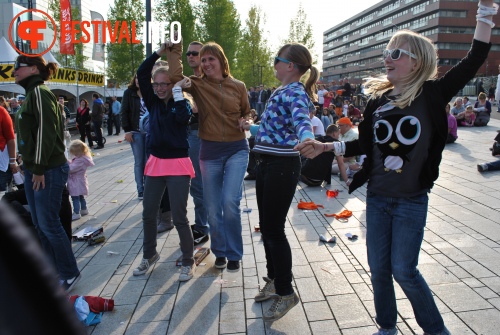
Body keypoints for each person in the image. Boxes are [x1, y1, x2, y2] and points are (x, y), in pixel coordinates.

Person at [296, 6, 497, 332]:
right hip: (377, 198)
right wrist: (326, 146)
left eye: (396, 53)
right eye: (387, 52)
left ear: (416, 62)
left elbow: (475, 58)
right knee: (378, 268)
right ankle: (387, 327)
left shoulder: (432, 94)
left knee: (404, 269)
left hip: (411, 201)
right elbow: (363, 145)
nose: (387, 57)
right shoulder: (378, 102)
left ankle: (436, 330)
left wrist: (486, 15)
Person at [248, 42, 319, 322]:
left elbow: (302, 121)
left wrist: (306, 139)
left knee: (274, 230)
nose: (273, 63)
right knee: (267, 228)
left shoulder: (295, 92)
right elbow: (274, 127)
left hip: (281, 166)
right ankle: (275, 279)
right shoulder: (282, 91)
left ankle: (287, 292)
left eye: (277, 59)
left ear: (290, 66)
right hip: (267, 164)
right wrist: (250, 127)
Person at [169, 40, 250, 272]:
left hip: (237, 149)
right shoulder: (197, 85)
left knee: (230, 202)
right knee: (213, 208)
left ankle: (234, 253)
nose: (205, 63)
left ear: (221, 61)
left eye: (210, 59)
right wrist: (175, 49)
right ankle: (220, 252)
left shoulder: (238, 85)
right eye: (202, 60)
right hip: (210, 152)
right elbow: (175, 76)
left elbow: (248, 111)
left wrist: (248, 121)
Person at [12, 54, 81, 292]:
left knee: (49, 223)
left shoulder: (40, 93)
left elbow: (46, 133)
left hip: (47, 170)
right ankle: (53, 273)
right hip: (36, 168)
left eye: (17, 67)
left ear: (32, 69)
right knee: (40, 224)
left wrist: (38, 167)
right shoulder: (32, 94)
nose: (14, 72)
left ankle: (69, 273)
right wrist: (26, 161)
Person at [133, 39, 196, 282]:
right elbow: (141, 71)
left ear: (172, 84)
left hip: (178, 164)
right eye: (156, 84)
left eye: (164, 84)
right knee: (149, 214)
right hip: (155, 163)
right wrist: (159, 50)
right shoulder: (152, 102)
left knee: (180, 217)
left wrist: (179, 91)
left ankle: (188, 261)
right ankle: (150, 255)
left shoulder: (182, 103)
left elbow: (182, 118)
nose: (159, 88)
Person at [184, 40, 209, 245]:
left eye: (195, 53)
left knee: (199, 184)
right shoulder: (189, 81)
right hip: (187, 134)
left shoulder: (210, 80)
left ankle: (202, 227)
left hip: (201, 135)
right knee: (194, 184)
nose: (191, 56)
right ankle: (202, 225)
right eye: (188, 54)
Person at [67, 140, 94, 221]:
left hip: (76, 181)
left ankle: (76, 212)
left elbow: (71, 169)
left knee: (75, 197)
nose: (74, 154)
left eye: (75, 152)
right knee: (80, 196)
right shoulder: (82, 158)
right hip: (80, 179)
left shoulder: (80, 160)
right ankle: (84, 209)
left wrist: (66, 163)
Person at [0, 105, 16, 195]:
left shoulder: (2, 112)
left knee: (3, 195)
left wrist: (13, 161)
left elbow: (10, 138)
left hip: (1, 162)